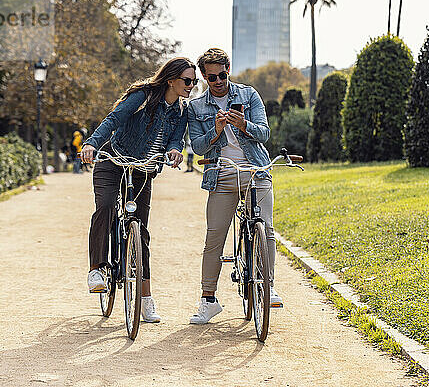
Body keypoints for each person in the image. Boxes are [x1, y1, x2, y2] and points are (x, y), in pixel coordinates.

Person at [81, 57, 196, 323]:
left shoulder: (182, 110)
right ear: (171, 79)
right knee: (107, 207)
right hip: (113, 160)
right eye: (187, 81)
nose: (191, 86)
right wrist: (91, 144)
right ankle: (96, 269)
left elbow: (177, 137)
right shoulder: (142, 97)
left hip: (144, 169)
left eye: (194, 82)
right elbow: (113, 120)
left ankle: (145, 298)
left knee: (140, 230)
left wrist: (175, 150)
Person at [187, 48, 282, 324]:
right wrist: (215, 131)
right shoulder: (196, 107)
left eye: (222, 74)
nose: (218, 81)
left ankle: (268, 285)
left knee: (266, 227)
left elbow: (264, 133)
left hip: (256, 171)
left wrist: (244, 125)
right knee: (214, 235)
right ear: (204, 76)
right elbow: (197, 146)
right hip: (222, 174)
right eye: (211, 77)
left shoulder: (248, 95)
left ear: (229, 68)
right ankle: (208, 299)